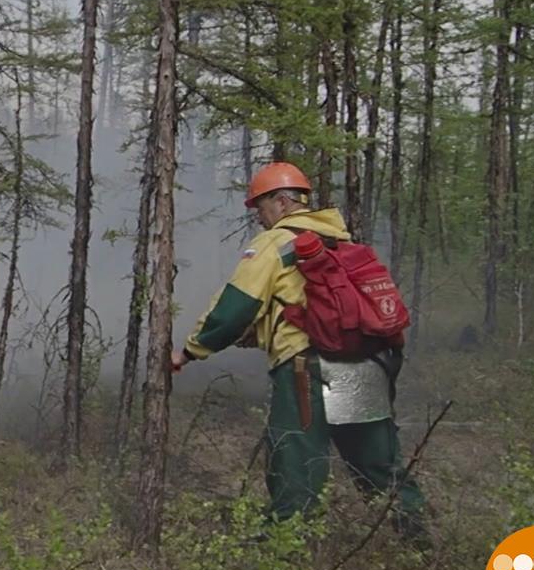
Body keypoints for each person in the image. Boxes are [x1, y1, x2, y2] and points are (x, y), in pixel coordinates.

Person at [171, 162, 427, 540]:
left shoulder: (275, 243)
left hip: (307, 367)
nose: (259, 217)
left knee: (295, 457)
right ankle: (417, 538)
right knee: (377, 461)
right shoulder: (341, 241)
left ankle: (285, 547)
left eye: (261, 207)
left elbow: (235, 306)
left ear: (282, 201)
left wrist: (189, 352)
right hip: (365, 365)